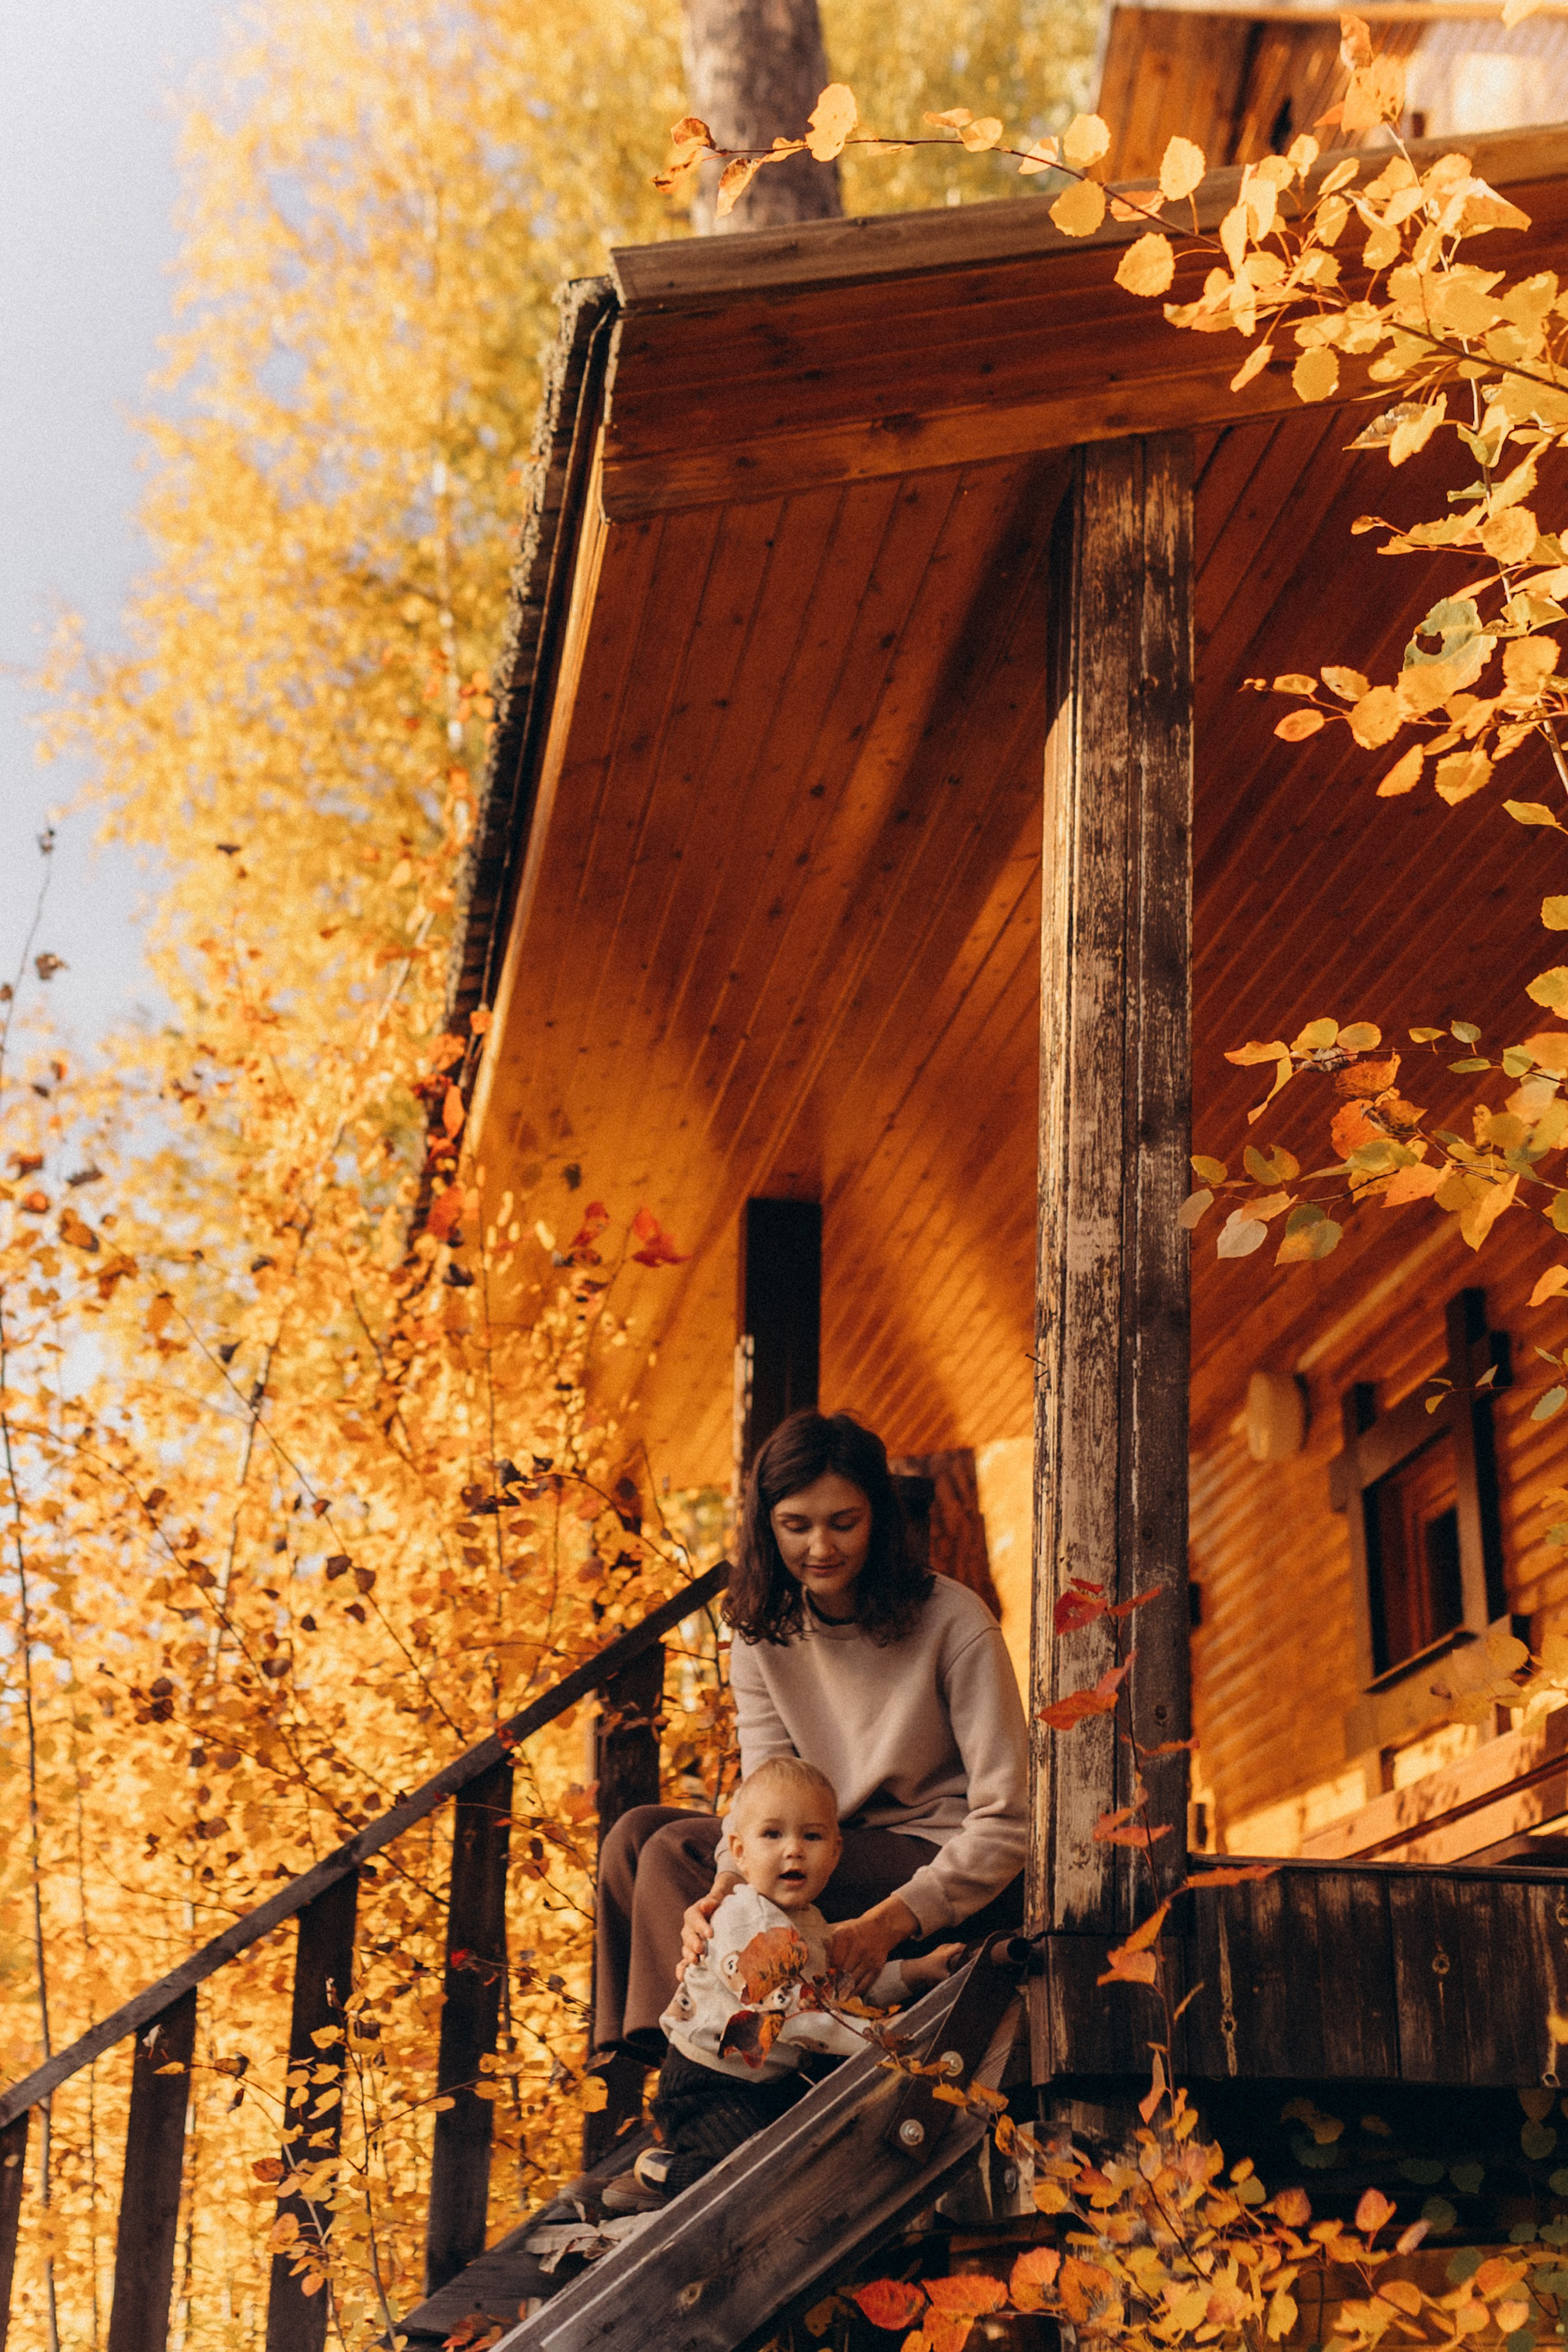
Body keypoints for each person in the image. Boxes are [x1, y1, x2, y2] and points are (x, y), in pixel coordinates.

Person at [593, 1408, 1027, 2070]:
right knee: (634, 1839)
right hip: (817, 1843)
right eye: (796, 1526)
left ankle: (711, 2093)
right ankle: (670, 2070)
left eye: (842, 1523)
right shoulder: (762, 1629)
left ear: (877, 1518)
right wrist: (721, 1889)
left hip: (933, 1865)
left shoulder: (952, 1620)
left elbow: (1007, 1822)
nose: (819, 1547)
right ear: (767, 1527)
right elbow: (766, 1791)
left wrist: (889, 1922)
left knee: (673, 1851)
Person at [601, 1755, 960, 2212]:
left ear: (835, 1852)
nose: (793, 1850)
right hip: (709, 2086)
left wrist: (917, 1971)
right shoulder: (745, 1920)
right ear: (739, 1851)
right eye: (772, 1835)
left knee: (804, 2158)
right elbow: (793, 2014)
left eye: (811, 1836)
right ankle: (665, 2171)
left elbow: (840, 1989)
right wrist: (879, 2043)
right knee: (751, 2174)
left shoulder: (809, 1922)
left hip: (769, 2082)